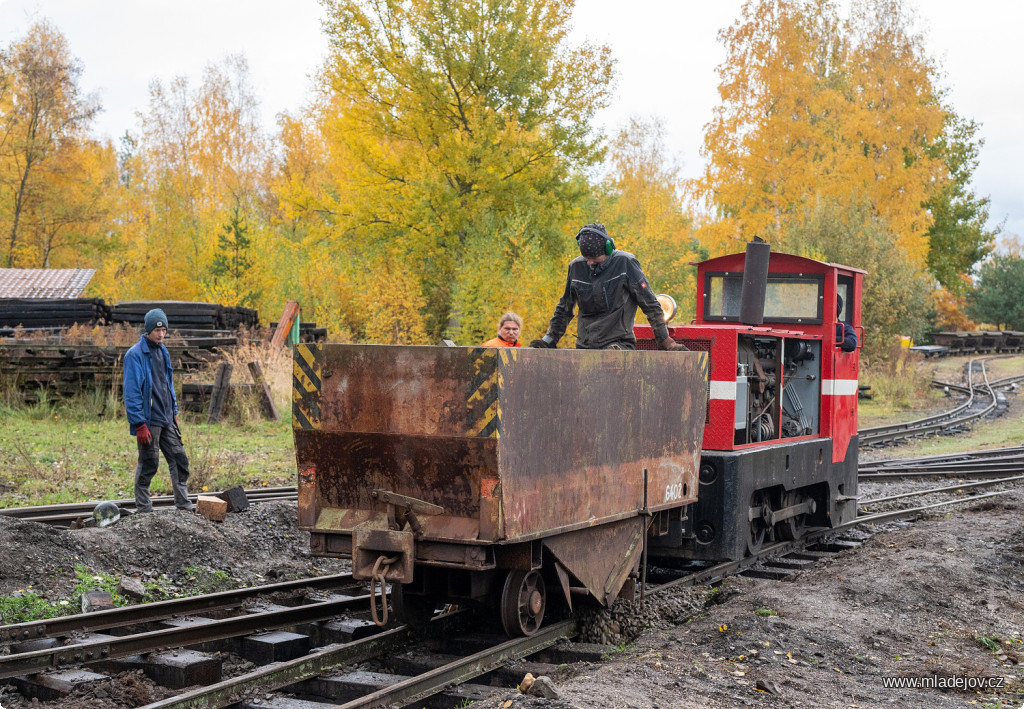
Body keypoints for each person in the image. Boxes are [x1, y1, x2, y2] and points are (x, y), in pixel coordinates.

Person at [530, 223, 686, 351]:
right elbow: (564, 308)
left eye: (594, 258)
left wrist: (665, 340)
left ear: (608, 248)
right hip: (585, 346)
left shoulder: (625, 264)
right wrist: (549, 339)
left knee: (612, 357)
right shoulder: (576, 267)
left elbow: (650, 304)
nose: (589, 263)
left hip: (619, 344)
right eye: (586, 258)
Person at [123, 308, 194, 513]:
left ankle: (183, 505)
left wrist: (174, 411)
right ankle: (144, 509)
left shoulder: (163, 351)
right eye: (157, 330)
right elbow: (132, 392)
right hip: (149, 421)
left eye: (164, 330)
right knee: (149, 463)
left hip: (166, 418)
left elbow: (167, 385)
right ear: (148, 330)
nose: (161, 334)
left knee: (179, 460)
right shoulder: (135, 355)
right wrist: (139, 424)